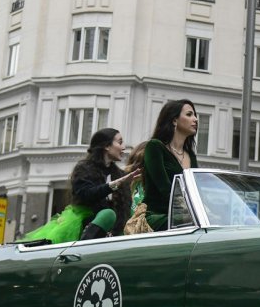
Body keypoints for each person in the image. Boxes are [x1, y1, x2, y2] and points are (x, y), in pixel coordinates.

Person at [22, 128, 139, 243]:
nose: (123, 147)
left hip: (110, 234)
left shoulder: (119, 174)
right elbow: (86, 194)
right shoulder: (84, 168)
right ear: (107, 146)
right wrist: (113, 185)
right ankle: (83, 246)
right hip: (82, 224)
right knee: (108, 214)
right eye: (119, 142)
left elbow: (125, 208)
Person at [140, 99, 199, 231]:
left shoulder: (191, 156)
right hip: (156, 217)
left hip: (184, 217)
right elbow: (165, 189)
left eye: (195, 115)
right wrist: (193, 212)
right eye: (189, 115)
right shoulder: (155, 147)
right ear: (174, 120)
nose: (195, 119)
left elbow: (197, 190)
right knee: (193, 225)